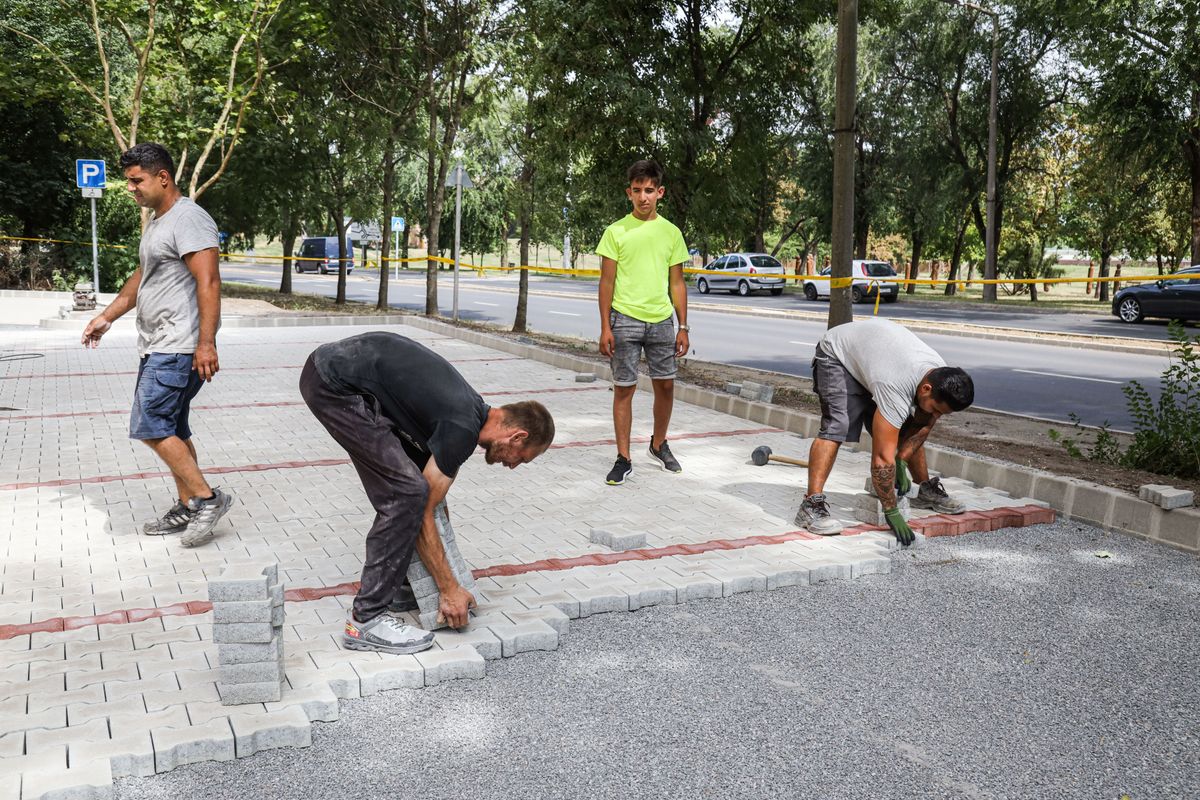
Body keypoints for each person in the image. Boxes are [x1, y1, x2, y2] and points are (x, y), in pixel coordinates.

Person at [299, 331, 555, 655]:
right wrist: (448, 589)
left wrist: (447, 576)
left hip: (338, 371)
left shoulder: (467, 415)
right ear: (517, 437)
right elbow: (421, 508)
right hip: (334, 384)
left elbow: (436, 506)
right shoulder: (462, 427)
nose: (514, 466)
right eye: (522, 458)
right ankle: (366, 620)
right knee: (406, 495)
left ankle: (400, 588)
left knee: (415, 490)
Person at [81, 143, 233, 547]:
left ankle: (206, 499)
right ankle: (188, 505)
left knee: (149, 426)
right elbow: (142, 277)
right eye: (129, 180)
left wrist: (206, 344)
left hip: (179, 346)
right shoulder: (159, 222)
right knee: (173, 430)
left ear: (162, 177)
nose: (130, 188)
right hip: (160, 344)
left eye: (137, 180)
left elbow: (209, 282)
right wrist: (106, 317)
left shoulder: (190, 220)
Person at [795, 318, 975, 545]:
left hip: (875, 360)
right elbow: (881, 459)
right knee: (837, 426)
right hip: (838, 355)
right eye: (937, 409)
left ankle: (925, 490)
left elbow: (923, 424)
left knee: (910, 423)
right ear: (926, 388)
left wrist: (902, 459)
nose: (936, 417)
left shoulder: (940, 374)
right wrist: (891, 511)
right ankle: (811, 505)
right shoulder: (895, 387)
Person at [596, 159, 690, 485]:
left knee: (665, 385)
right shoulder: (615, 231)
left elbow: (677, 283)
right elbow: (606, 282)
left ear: (660, 192)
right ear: (629, 193)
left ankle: (659, 443)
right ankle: (623, 458)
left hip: (663, 321)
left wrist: (683, 326)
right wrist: (606, 326)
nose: (643, 196)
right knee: (625, 389)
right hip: (624, 319)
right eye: (637, 190)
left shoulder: (671, 233)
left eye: (649, 190)